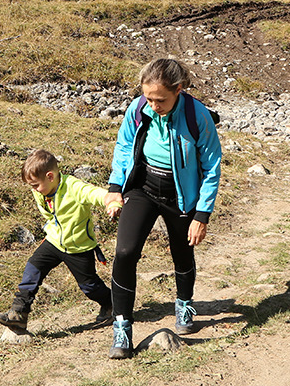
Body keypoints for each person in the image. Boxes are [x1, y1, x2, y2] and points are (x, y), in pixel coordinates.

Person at [103, 58, 222, 359]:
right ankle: (122, 326)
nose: (153, 104)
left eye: (160, 99)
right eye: (148, 98)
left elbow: (212, 166)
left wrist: (202, 215)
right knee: (125, 252)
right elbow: (123, 146)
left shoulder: (198, 116)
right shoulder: (138, 108)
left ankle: (184, 304)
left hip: (181, 196)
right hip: (143, 188)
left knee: (181, 252)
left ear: (179, 90)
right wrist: (115, 188)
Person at [0, 148, 122, 331]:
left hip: (78, 246)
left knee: (89, 287)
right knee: (33, 268)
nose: (34, 190)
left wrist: (113, 203)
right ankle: (19, 313)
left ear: (50, 177)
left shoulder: (74, 187)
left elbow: (97, 194)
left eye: (36, 185)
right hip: (54, 241)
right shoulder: (41, 190)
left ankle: (113, 304)